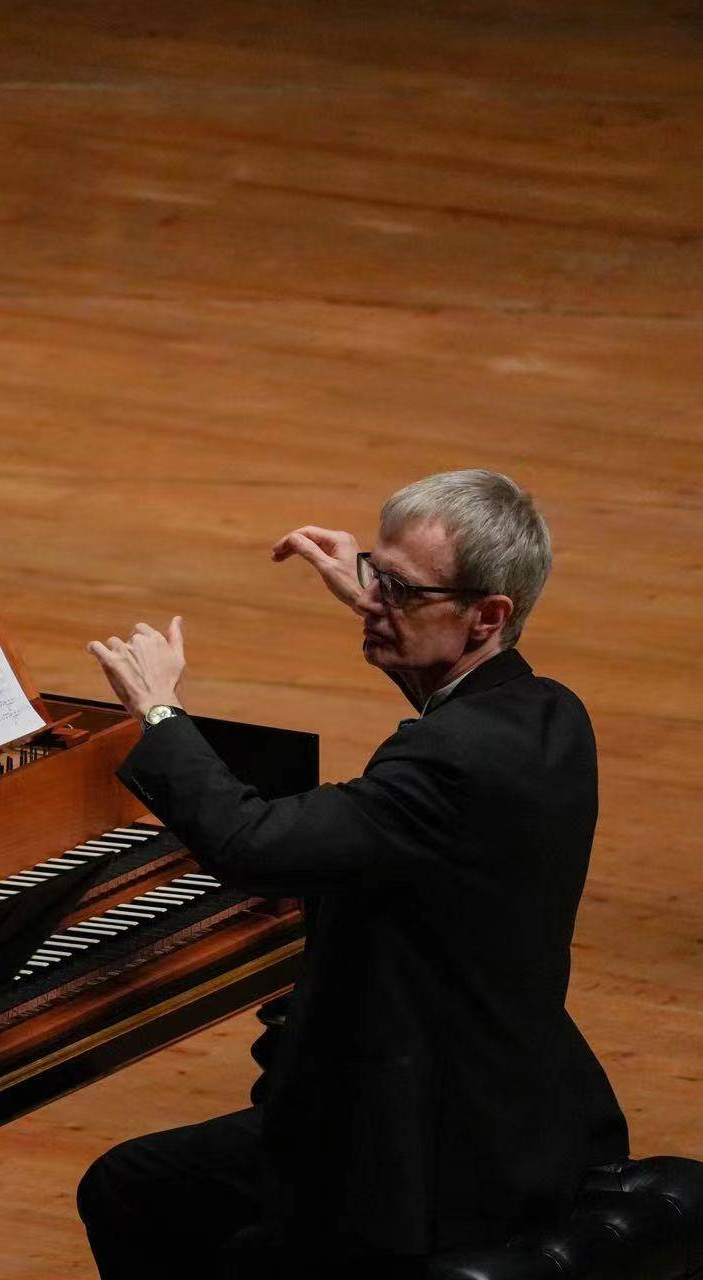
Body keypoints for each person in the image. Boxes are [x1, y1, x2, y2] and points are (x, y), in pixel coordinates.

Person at [79, 470, 627, 1277]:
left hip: (422, 1156)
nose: (374, 599)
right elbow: (456, 701)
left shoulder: (448, 765)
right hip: (525, 1108)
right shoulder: (552, 715)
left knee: (129, 1189)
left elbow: (249, 844)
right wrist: (377, 604)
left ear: (488, 615)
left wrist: (160, 713)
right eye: (376, 572)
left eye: (401, 590)